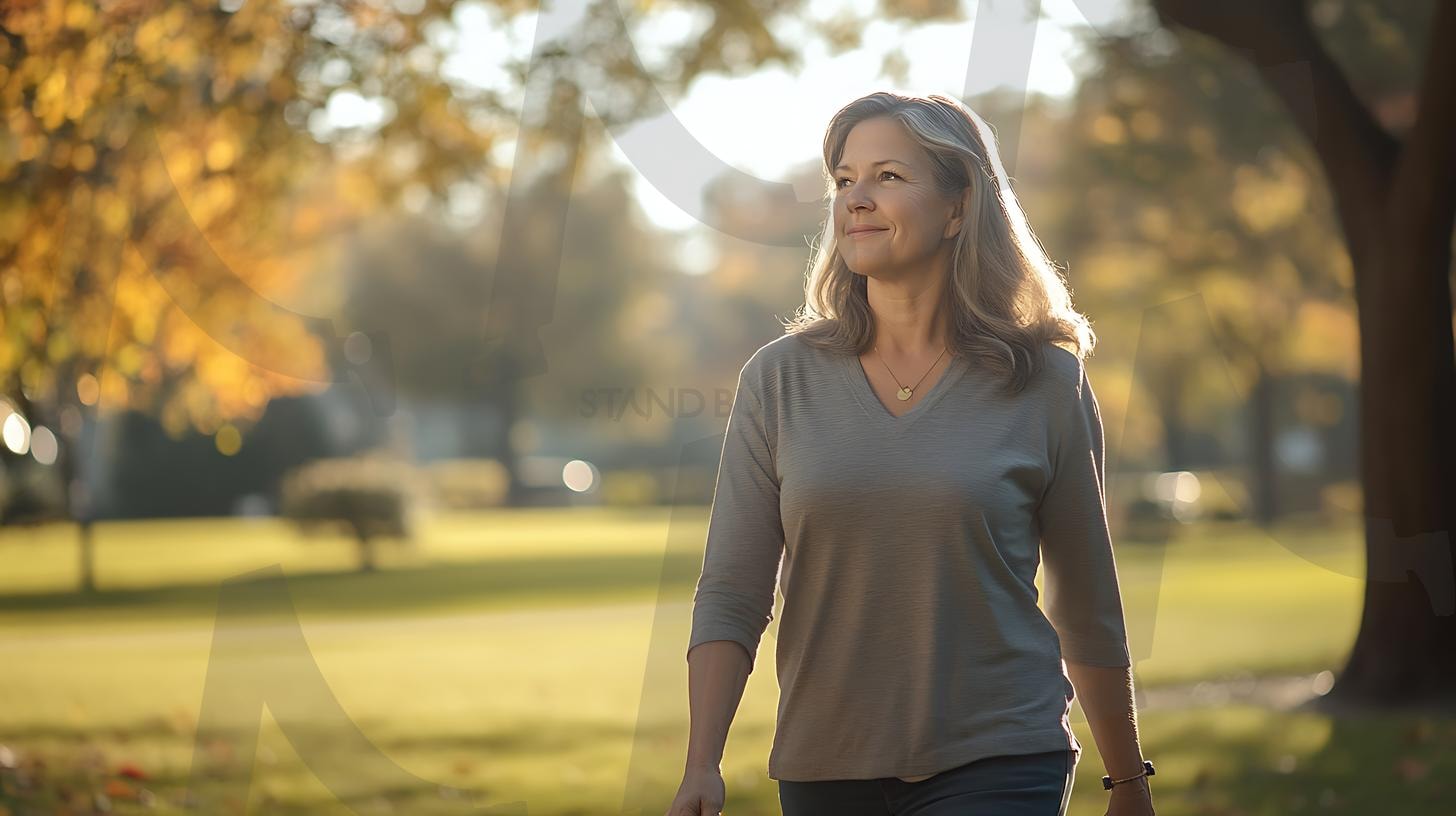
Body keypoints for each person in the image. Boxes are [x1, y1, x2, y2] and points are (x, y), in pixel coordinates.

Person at [666, 91, 1156, 816]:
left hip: (1000, 754)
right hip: (824, 763)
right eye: (843, 180)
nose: (856, 199)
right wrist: (701, 763)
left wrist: (1127, 783)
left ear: (958, 208)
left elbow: (1085, 600)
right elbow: (733, 591)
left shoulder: (1044, 381)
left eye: (888, 177)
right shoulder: (779, 379)